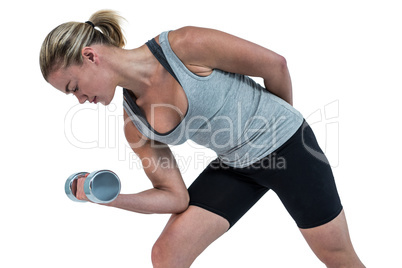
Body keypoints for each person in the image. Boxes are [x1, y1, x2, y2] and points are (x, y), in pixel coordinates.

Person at [40, 10, 365, 268]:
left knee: (338, 259)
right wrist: (108, 198)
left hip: (289, 149)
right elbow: (174, 197)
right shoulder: (134, 124)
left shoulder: (184, 45)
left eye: (73, 87)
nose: (80, 99)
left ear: (90, 56)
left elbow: (274, 65)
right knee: (167, 255)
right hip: (235, 165)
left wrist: (275, 132)